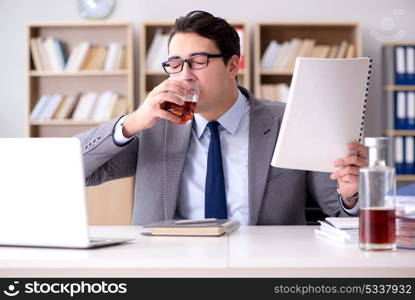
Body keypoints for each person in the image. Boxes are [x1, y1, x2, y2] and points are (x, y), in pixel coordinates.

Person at [77, 10, 368, 226]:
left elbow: (339, 212)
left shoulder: (288, 121)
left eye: (198, 61)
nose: (184, 74)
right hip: (171, 268)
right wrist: (129, 124)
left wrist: (351, 193)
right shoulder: (153, 127)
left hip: (264, 268)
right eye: (175, 64)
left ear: (232, 66)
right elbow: (77, 171)